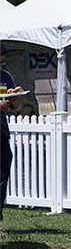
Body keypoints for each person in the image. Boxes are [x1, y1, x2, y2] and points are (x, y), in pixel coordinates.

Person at [0, 61, 20, 236]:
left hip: (1, 132)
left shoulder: (6, 77)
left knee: (2, 176)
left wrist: (14, 102)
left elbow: (15, 107)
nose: (3, 63)